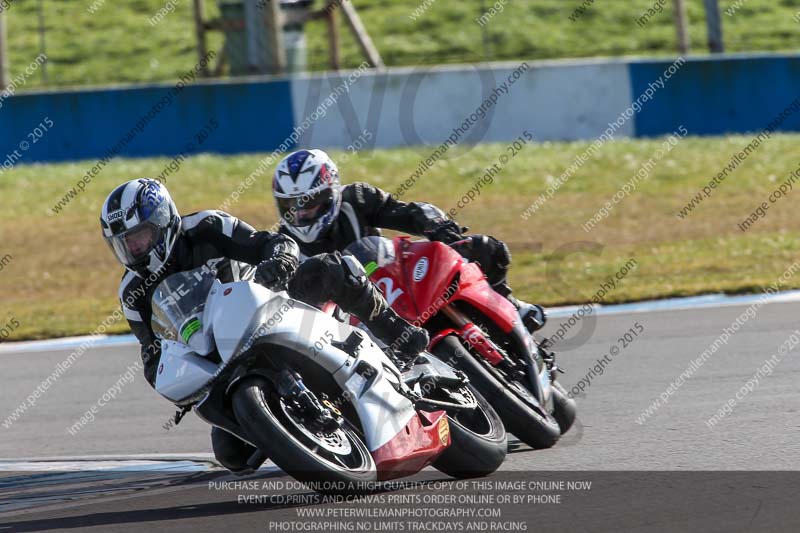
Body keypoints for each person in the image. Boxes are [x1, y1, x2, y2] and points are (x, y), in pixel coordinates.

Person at [101, 178, 428, 473]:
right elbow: (152, 351)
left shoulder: (207, 226)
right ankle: (294, 429)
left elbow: (267, 242)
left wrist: (280, 259)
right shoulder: (132, 293)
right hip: (217, 357)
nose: (133, 250)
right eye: (123, 244)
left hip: (268, 301)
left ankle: (395, 332)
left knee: (331, 269)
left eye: (138, 238)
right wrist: (168, 375)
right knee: (231, 454)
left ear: (162, 222)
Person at [272, 149, 546, 333]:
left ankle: (511, 305)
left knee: (483, 249)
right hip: (356, 323)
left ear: (330, 192)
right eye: (291, 205)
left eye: (308, 203)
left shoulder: (356, 198)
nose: (301, 212)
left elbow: (407, 212)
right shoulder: (283, 247)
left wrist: (437, 226)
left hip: (398, 282)